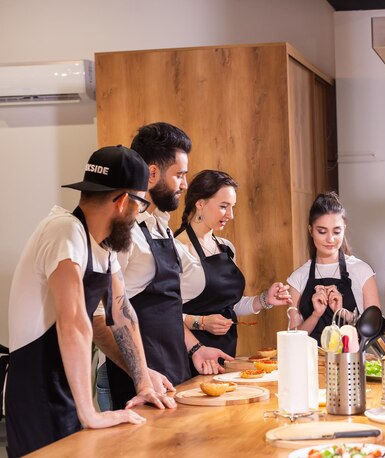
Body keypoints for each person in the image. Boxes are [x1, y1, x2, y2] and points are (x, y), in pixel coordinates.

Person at [5, 146, 176, 457]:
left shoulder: (102, 248)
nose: (137, 214)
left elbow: (121, 313)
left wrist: (143, 383)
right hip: (36, 389)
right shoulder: (64, 232)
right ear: (124, 201)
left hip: (66, 386)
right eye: (139, 204)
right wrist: (90, 414)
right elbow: (73, 322)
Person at [93, 123, 231, 411]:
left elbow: (166, 308)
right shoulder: (125, 233)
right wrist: (141, 375)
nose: (184, 184)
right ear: (152, 174)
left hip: (173, 374)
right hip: (139, 387)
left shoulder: (162, 228)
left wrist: (194, 348)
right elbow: (99, 318)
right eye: (179, 175)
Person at [174, 170, 292, 370]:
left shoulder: (225, 247)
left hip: (224, 354)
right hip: (187, 356)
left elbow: (230, 306)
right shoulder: (177, 249)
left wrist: (264, 300)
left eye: (232, 207)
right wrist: (201, 322)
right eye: (223, 207)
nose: (231, 215)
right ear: (200, 203)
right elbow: (164, 313)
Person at [287, 192, 380, 344]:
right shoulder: (297, 278)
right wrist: (315, 315)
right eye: (322, 231)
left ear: (344, 228)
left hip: (351, 363)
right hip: (312, 363)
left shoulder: (362, 271)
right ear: (311, 230)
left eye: (337, 231)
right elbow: (292, 338)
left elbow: (374, 330)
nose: (330, 239)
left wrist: (343, 313)